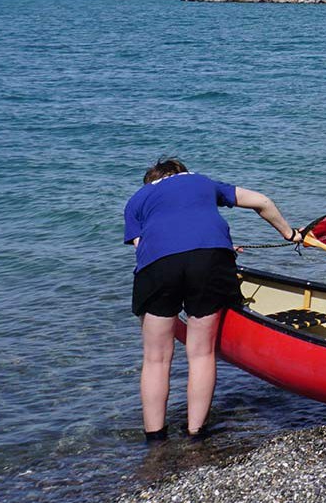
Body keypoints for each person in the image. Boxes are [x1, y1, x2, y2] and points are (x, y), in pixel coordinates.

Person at [123, 157, 298, 441]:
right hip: (211, 256)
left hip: (159, 266)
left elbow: (144, 247)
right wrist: (291, 234)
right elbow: (262, 201)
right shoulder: (203, 182)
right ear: (182, 173)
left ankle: (155, 440)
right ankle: (196, 435)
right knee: (201, 353)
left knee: (156, 359)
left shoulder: (137, 199)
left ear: (152, 181)